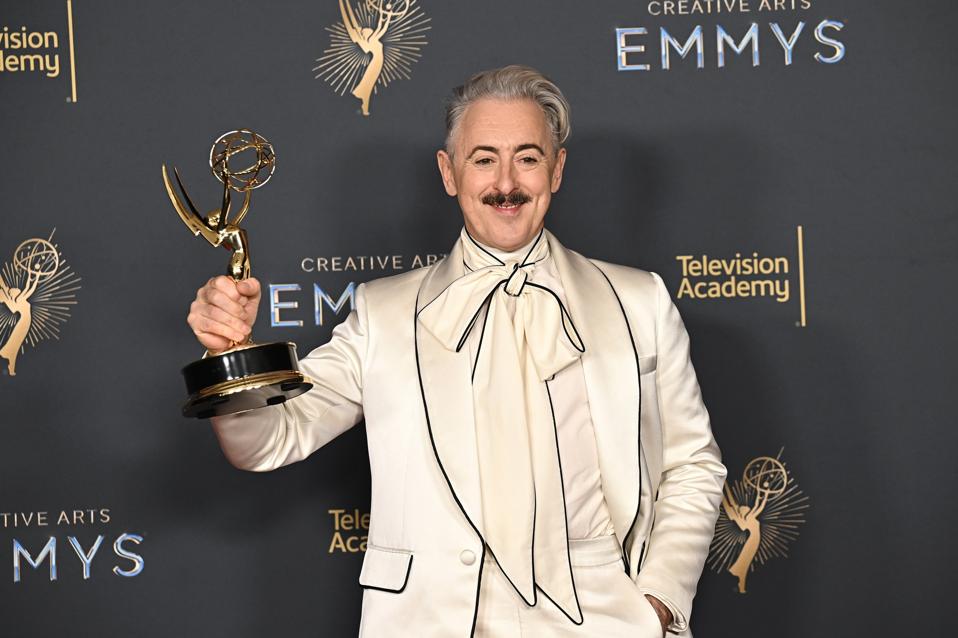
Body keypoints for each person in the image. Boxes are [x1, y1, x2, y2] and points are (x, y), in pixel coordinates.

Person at [188, 65, 726, 638]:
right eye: (483, 159)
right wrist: (231, 356)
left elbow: (692, 464)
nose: (506, 183)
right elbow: (271, 439)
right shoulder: (383, 314)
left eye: (527, 157)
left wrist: (657, 602)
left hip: (601, 620)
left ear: (557, 169)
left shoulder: (638, 301)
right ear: (449, 173)